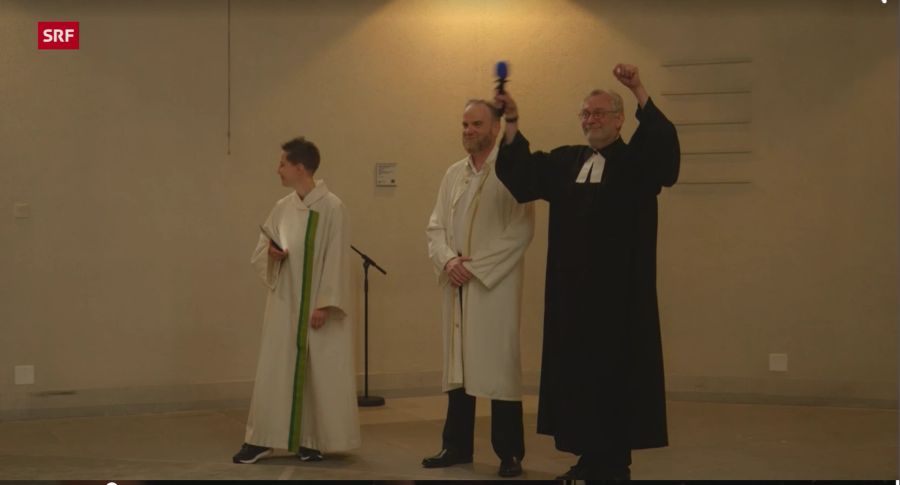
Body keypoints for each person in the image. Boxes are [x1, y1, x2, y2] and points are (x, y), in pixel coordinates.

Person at [493, 64, 680, 480]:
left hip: (619, 303)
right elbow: (521, 176)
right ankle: (590, 459)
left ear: (618, 119)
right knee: (578, 381)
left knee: (613, 381)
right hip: (573, 302)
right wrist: (512, 120)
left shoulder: (635, 162)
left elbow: (666, 157)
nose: (590, 120)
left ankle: (611, 463)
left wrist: (637, 89)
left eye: (599, 113)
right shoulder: (566, 161)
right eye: (585, 114)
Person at [424, 99, 535, 478]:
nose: (468, 130)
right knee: (458, 368)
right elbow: (435, 226)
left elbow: (521, 230)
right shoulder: (454, 174)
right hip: (456, 283)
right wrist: (449, 262)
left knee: (499, 368)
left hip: (493, 286)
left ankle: (510, 453)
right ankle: (455, 445)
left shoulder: (510, 171)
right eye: (464, 124)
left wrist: (477, 268)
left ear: (494, 128)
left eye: (476, 124)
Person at [233, 137, 361, 464]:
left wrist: (324, 303)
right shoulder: (283, 207)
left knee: (318, 374)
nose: (278, 169)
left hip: (317, 309)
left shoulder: (333, 208)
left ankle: (310, 440)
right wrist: (273, 254)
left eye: (282, 164)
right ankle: (261, 439)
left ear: (299, 167)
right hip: (285, 305)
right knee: (276, 370)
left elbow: (336, 258)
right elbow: (264, 248)